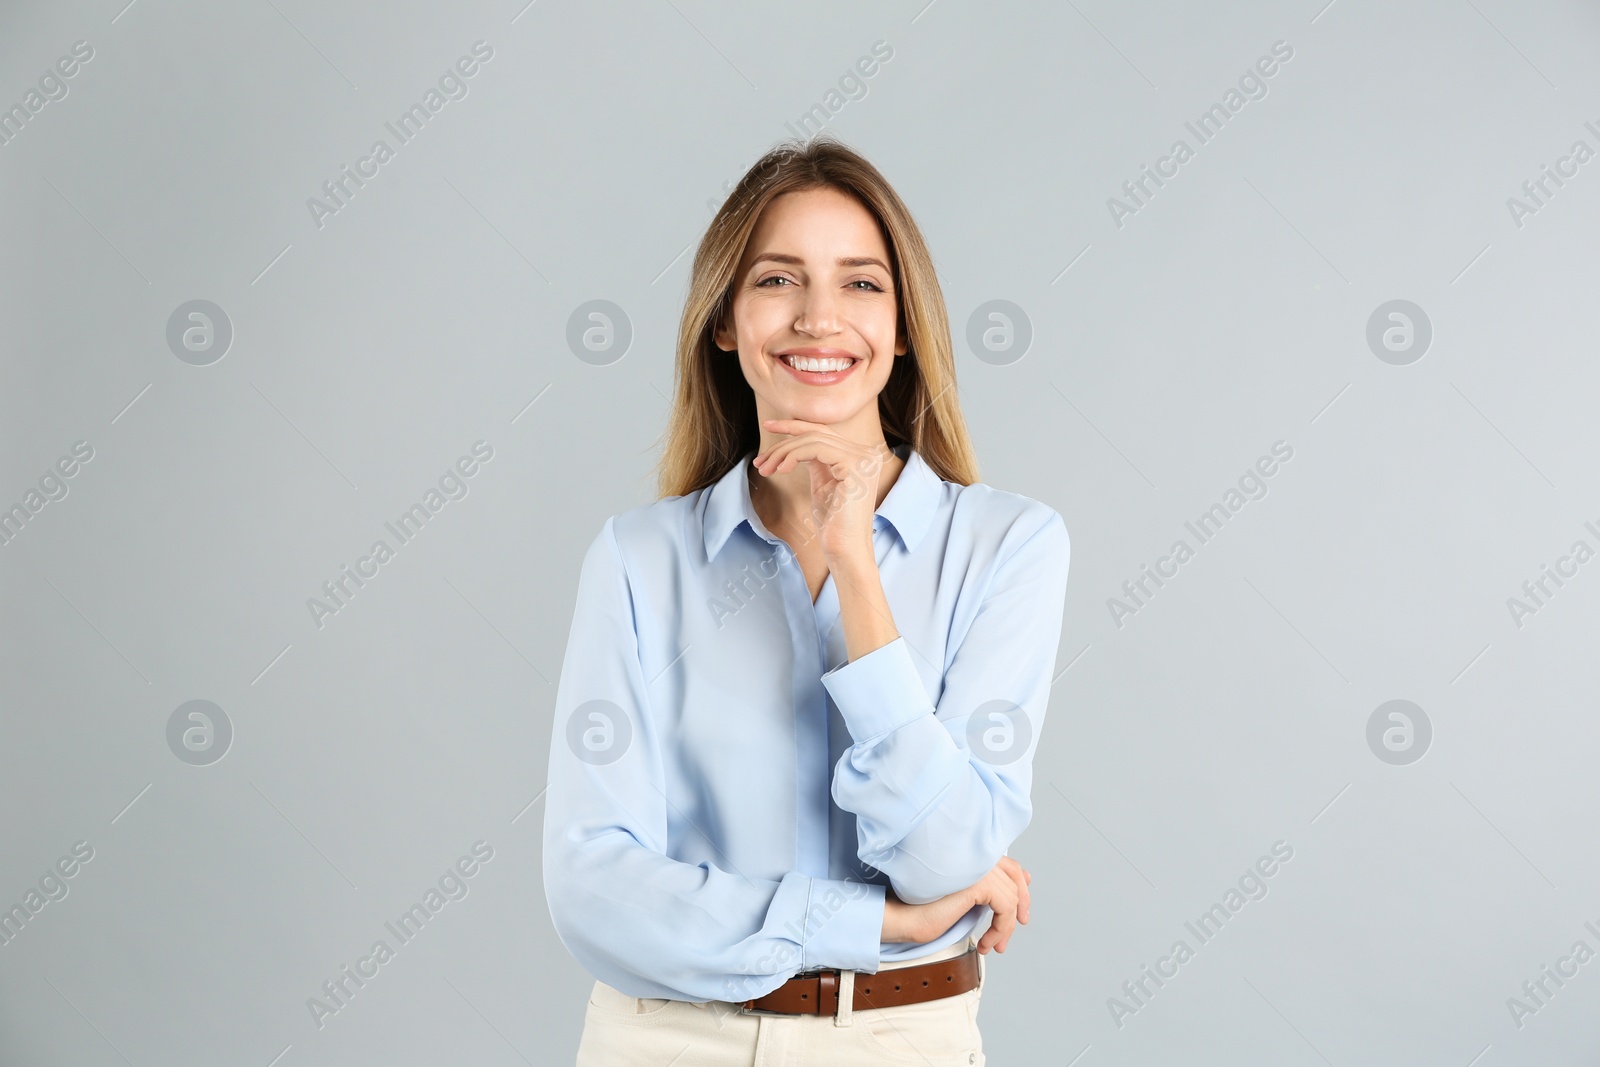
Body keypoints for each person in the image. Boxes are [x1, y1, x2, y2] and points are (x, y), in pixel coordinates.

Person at [543, 134, 1071, 1066]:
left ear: (904, 327)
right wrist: (876, 924)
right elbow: (593, 888)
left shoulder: (1008, 547)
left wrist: (854, 564)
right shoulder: (636, 560)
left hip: (902, 1042)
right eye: (778, 280)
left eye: (862, 284)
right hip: (666, 1043)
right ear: (724, 321)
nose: (819, 319)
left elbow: (945, 857)